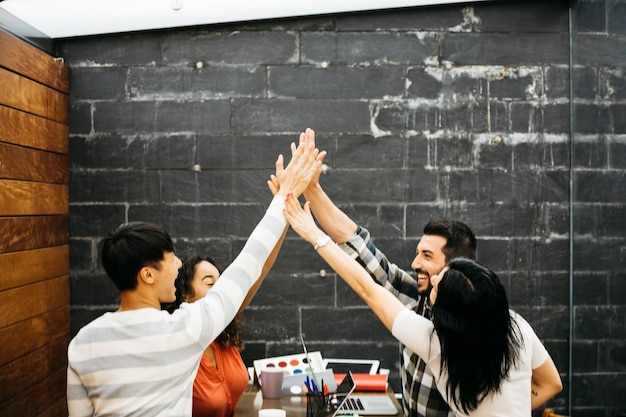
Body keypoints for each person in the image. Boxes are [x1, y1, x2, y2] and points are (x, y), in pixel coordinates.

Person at [66, 139, 320, 416]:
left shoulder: (83, 343)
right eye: (170, 259)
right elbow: (250, 261)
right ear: (148, 275)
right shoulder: (183, 331)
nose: (177, 265)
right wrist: (286, 194)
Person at [281, 194, 563, 416]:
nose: (423, 274)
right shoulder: (516, 326)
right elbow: (551, 383)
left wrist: (315, 237)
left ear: (448, 310)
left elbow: (367, 289)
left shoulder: (436, 344)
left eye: (438, 286)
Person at [269, 128, 477, 417]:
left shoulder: (468, 329)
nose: (415, 263)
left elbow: (368, 288)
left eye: (427, 256)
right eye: (417, 253)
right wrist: (310, 188)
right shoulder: (419, 298)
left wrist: (313, 234)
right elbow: (358, 245)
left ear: (455, 268)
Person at [163, 251, 285, 417]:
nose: (221, 292)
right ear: (186, 294)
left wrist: (287, 224)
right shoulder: (175, 348)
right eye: (210, 284)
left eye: (222, 284)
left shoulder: (220, 335)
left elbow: (262, 265)